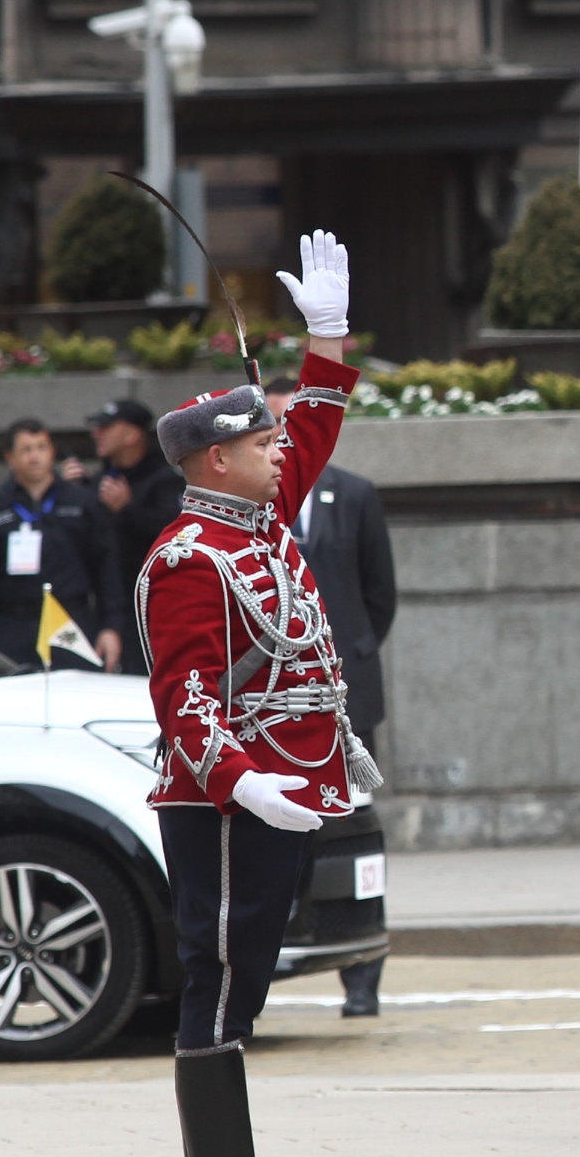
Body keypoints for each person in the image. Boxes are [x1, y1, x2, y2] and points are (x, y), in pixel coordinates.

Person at [141, 229, 362, 1157]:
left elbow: (312, 428)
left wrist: (328, 337)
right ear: (217, 460)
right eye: (263, 445)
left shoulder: (258, 522)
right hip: (233, 800)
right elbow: (184, 697)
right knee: (221, 980)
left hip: (286, 785)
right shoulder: (190, 557)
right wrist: (240, 783)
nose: (283, 453)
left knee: (243, 980)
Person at [262, 377, 397, 1020]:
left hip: (345, 697)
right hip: (272, 702)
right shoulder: (250, 506)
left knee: (353, 833)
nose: (285, 435)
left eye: (295, 421)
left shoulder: (356, 494)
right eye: (273, 425)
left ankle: (363, 974)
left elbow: (379, 595)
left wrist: (348, 660)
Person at [0, 418, 122, 669]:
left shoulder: (81, 502)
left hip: (68, 620)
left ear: (52, 452)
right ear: (10, 457)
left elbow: (107, 567)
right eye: (26, 449)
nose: (35, 457)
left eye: (41, 448)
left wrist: (112, 626)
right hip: (11, 624)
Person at [63, 397, 184, 671]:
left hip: (153, 610)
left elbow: (177, 536)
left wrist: (128, 509)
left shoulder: (165, 480)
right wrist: (71, 494)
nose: (97, 434)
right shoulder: (98, 480)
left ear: (131, 435)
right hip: (101, 608)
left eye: (106, 428)